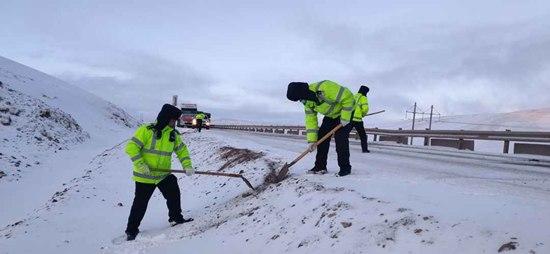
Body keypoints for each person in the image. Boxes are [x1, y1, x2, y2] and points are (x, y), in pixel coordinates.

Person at [124, 104, 195, 241]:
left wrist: (187, 165)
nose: (175, 123)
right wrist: (140, 164)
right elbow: (131, 147)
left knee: (173, 191)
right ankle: (131, 230)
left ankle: (175, 218)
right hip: (145, 175)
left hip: (163, 174)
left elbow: (182, 150)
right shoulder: (146, 130)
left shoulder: (173, 135)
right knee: (140, 203)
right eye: (173, 120)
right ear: (166, 118)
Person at [286, 80, 355, 177]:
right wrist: (311, 141)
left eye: (300, 98)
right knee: (321, 139)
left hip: (345, 112)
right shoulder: (307, 102)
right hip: (330, 116)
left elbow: (348, 98)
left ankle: (345, 168)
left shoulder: (325, 87)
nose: (301, 101)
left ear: (303, 93)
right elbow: (311, 121)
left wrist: (345, 117)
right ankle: (320, 167)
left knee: (340, 139)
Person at [352, 85, 370, 153]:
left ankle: (341, 147)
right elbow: (365, 109)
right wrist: (362, 114)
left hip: (350, 119)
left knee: (344, 134)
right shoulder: (363, 97)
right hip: (358, 120)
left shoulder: (354, 96)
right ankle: (364, 149)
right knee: (363, 136)